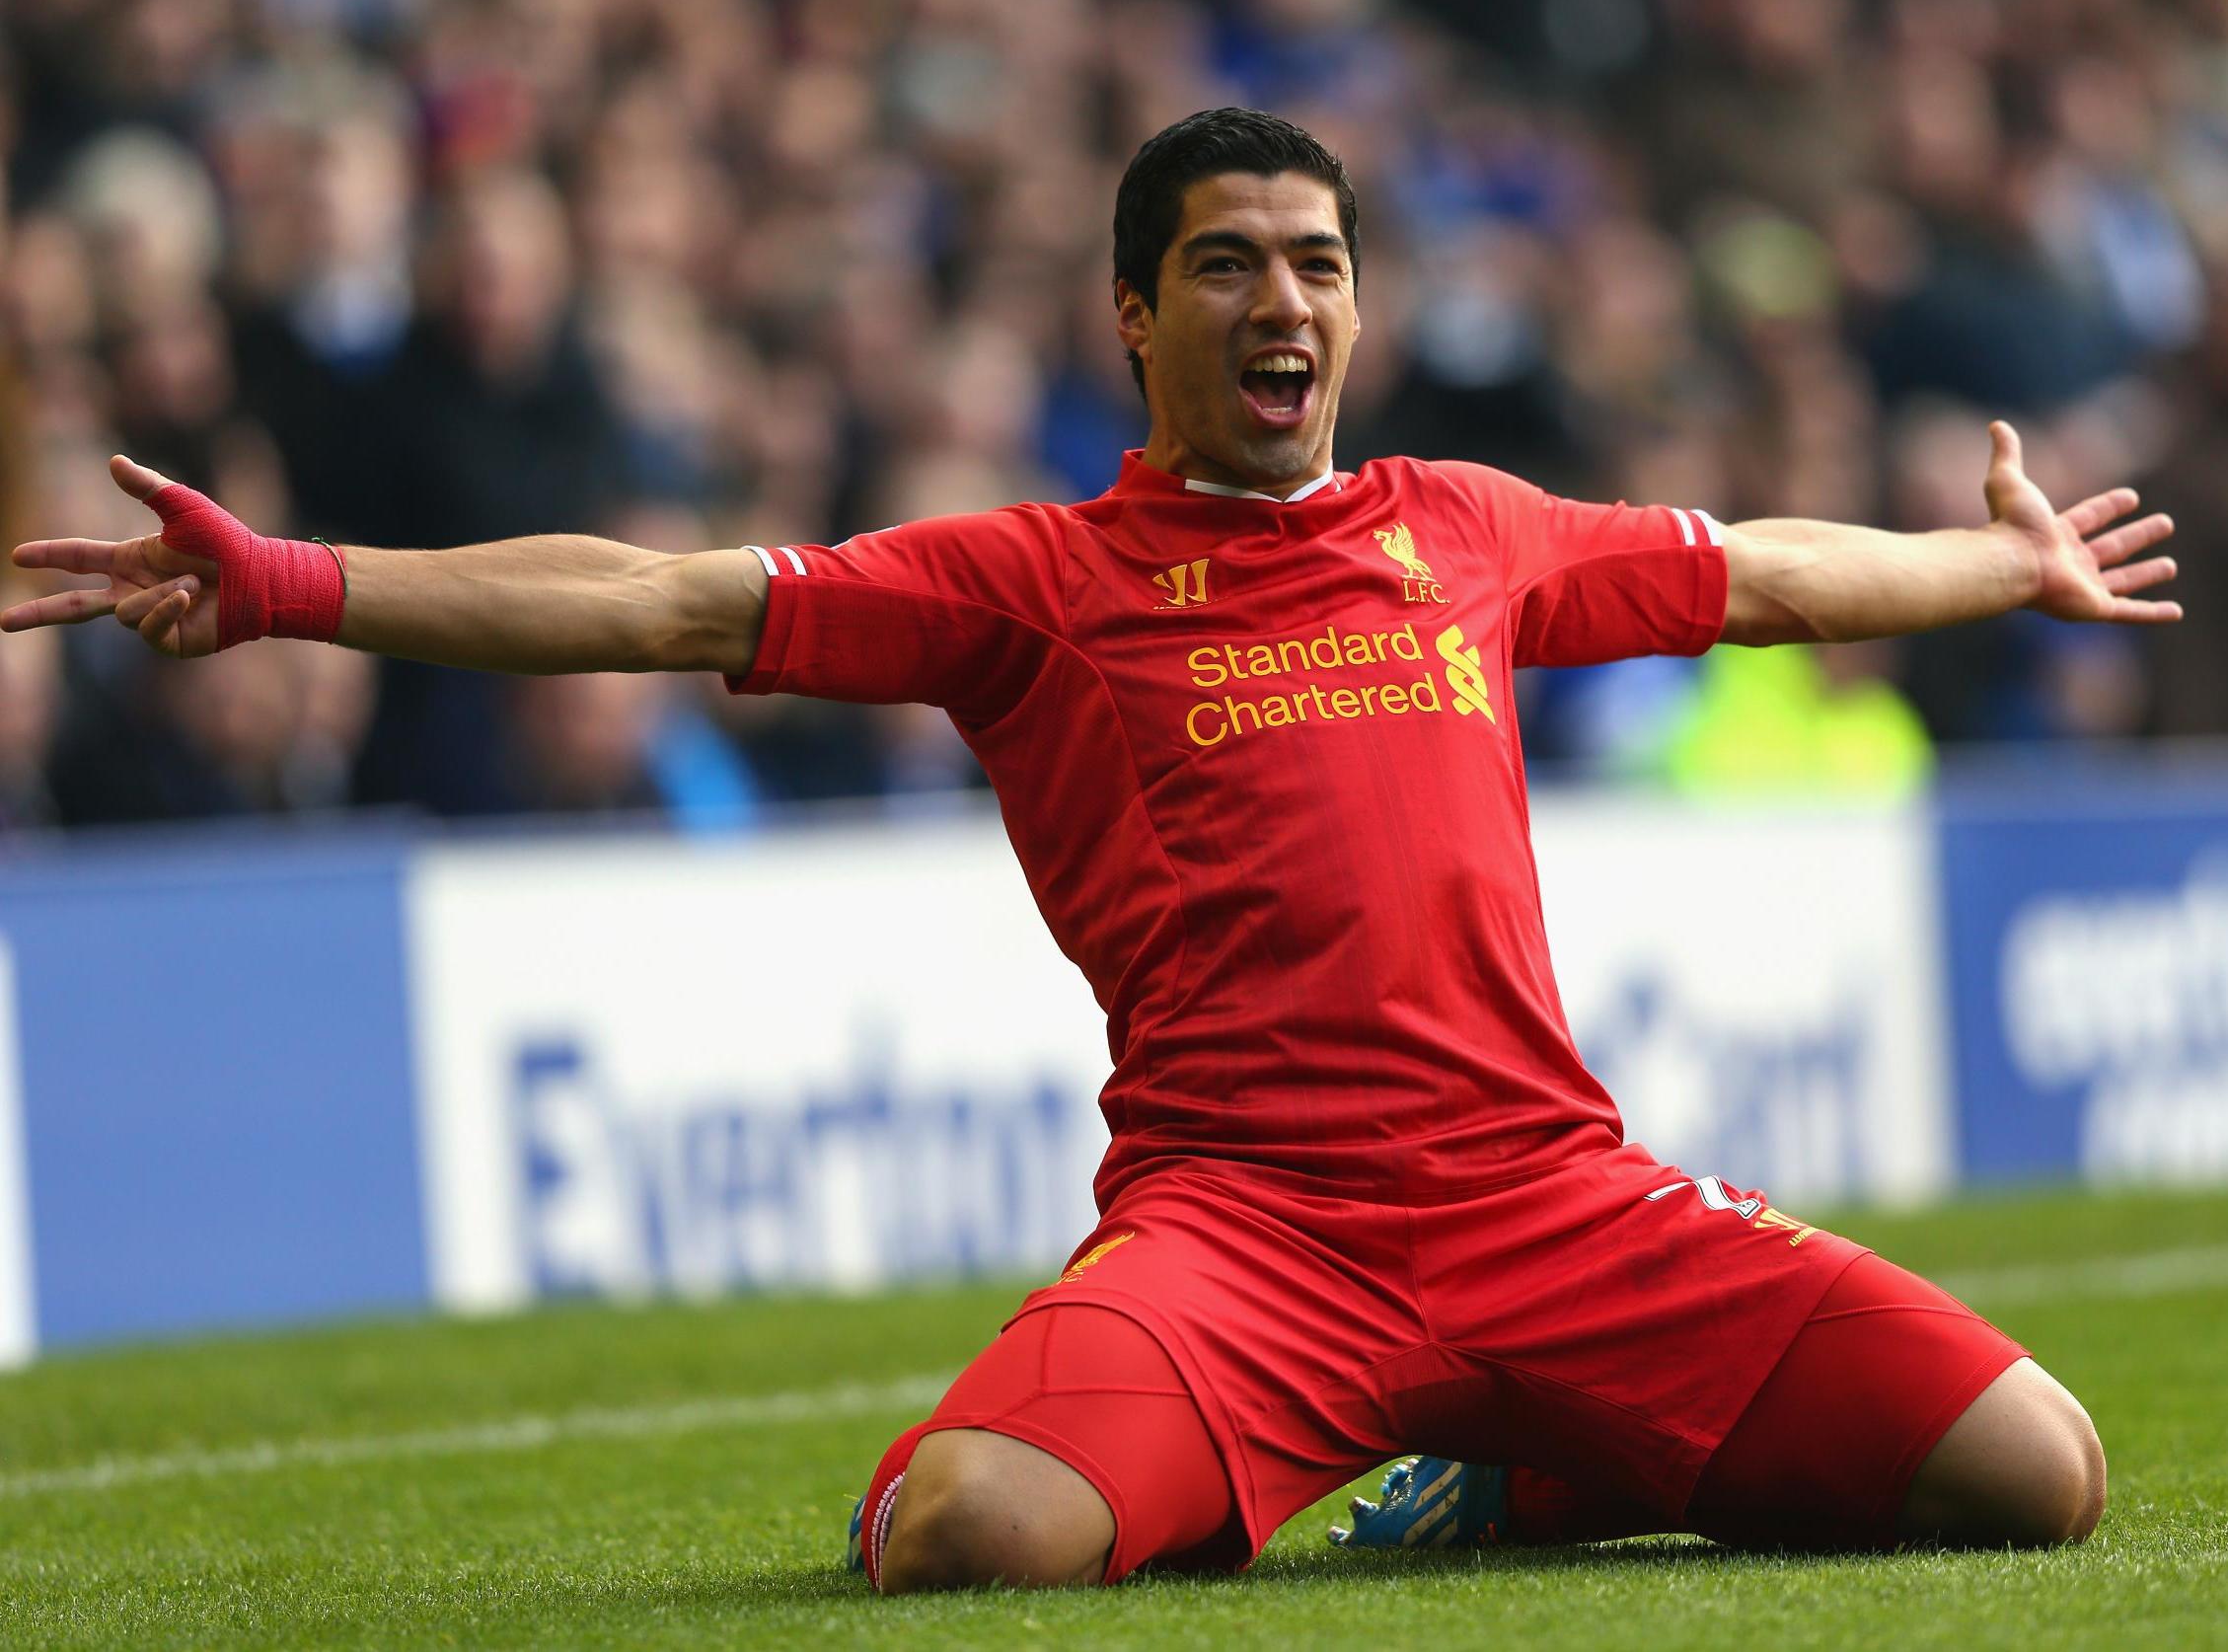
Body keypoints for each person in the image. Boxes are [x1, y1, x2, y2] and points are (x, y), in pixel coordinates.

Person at [1, 110, 2180, 1591]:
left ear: (1357, 307)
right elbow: (661, 600)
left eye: (1316, 265)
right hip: (1255, 1242)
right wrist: (287, 583)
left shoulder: (1467, 530)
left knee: (2037, 1477)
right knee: (965, 1533)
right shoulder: (1034, 576)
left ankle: (1524, 1456)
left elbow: (1767, 573)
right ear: (1133, 318)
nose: (1282, 304)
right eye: (1224, 266)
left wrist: (1997, 570)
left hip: (1551, 1195)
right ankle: (1464, 1438)